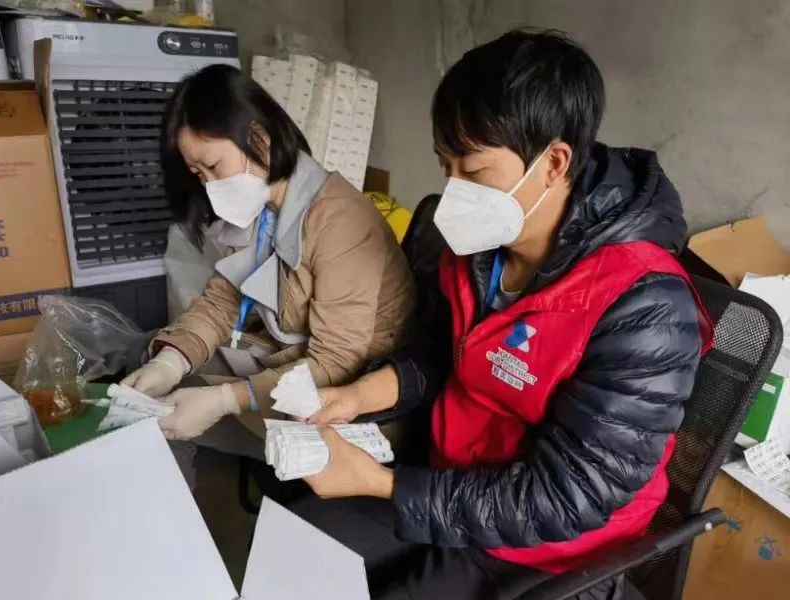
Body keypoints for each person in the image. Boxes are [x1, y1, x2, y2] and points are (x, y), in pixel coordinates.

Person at [289, 29, 713, 600]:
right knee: (294, 554)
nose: (453, 190)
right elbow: (443, 350)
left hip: (543, 542)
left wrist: (385, 485)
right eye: (444, 166)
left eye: (473, 170)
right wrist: (360, 395)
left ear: (554, 162)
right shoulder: (479, 248)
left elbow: (568, 496)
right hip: (448, 477)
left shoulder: (645, 306)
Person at [122, 64, 415, 486]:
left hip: (352, 405)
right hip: (293, 368)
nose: (210, 187)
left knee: (177, 413)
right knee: (161, 382)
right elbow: (223, 300)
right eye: (199, 175)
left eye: (214, 167)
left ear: (259, 139)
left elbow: (337, 362)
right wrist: (172, 359)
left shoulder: (340, 220)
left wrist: (225, 399)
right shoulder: (262, 207)